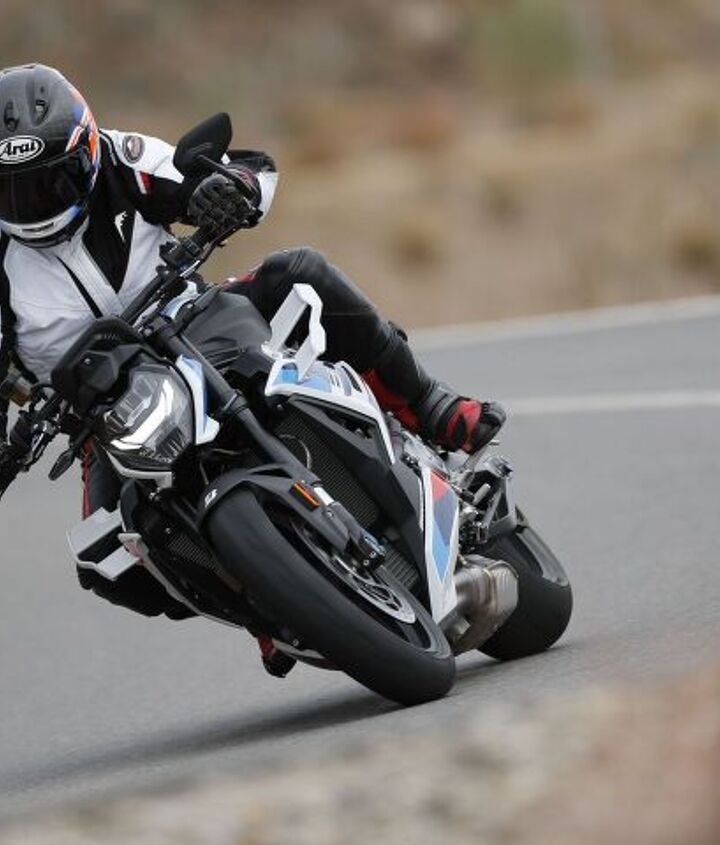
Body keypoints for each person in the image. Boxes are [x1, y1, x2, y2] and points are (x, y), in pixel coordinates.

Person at [0, 64, 506, 673]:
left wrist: (226, 189)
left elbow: (250, 170)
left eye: (51, 180)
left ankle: (432, 408)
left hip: (191, 323)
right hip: (100, 409)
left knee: (300, 272)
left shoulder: (121, 159)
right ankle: (266, 604)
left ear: (85, 151)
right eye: (13, 191)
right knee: (110, 559)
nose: (34, 203)